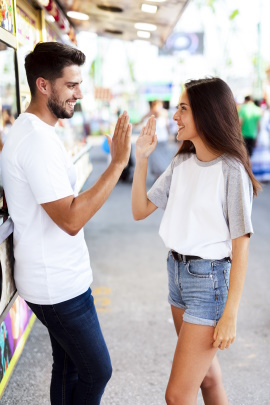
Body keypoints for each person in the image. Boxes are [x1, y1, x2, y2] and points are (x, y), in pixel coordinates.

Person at [1, 42, 131, 405]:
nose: (79, 94)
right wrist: (118, 164)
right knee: (96, 369)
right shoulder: (35, 141)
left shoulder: (38, 132)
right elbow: (71, 219)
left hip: (58, 276)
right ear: (44, 86)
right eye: (71, 85)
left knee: (69, 365)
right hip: (56, 284)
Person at [131, 77, 261, 405]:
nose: (175, 115)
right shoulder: (182, 163)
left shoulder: (232, 170)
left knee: (177, 395)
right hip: (177, 274)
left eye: (183, 108)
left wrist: (230, 312)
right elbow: (139, 210)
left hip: (209, 283)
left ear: (206, 113)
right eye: (177, 108)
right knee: (207, 377)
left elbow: (241, 245)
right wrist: (141, 159)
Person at [136, 100, 171, 180]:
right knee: (155, 158)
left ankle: (163, 173)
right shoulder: (152, 112)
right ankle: (158, 175)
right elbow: (142, 120)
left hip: (162, 138)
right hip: (155, 138)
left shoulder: (163, 112)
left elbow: (167, 125)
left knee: (162, 156)